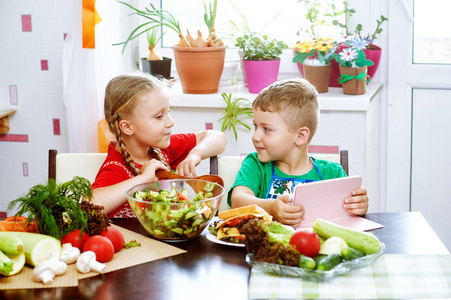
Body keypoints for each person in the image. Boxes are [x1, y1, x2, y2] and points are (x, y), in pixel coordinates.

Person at [228, 78, 368, 227]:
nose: (255, 136)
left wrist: (358, 205)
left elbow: (346, 219)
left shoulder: (332, 174)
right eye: (255, 126)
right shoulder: (256, 165)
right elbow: (238, 200)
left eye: (266, 129)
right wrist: (271, 208)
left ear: (300, 136)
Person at [92, 73, 227, 218]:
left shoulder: (161, 149)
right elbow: (88, 207)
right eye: (159, 116)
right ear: (127, 127)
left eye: (168, 112)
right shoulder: (116, 168)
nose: (171, 122)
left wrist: (195, 155)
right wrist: (143, 179)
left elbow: (218, 138)